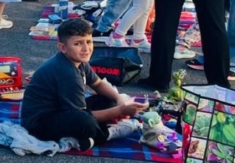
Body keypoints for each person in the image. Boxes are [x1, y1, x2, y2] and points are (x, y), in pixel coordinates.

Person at [21, 18, 144, 150]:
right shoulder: (68, 73)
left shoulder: (78, 60)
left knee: (108, 99)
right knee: (86, 123)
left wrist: (119, 99)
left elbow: (97, 84)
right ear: (62, 47)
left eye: (89, 42)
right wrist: (121, 110)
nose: (86, 48)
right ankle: (106, 134)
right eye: (78, 43)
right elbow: (82, 115)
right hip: (39, 124)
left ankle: (85, 136)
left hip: (60, 109)